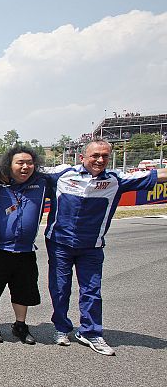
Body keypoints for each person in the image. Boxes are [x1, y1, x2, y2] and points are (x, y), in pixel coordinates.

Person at [42, 140, 167, 355]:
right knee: (60, 289)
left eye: (105, 156)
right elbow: (25, 168)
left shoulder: (116, 179)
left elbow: (158, 175)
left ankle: (90, 332)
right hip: (59, 243)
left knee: (92, 291)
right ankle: (61, 328)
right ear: (82, 157)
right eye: (95, 155)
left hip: (92, 246)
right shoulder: (61, 174)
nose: (100, 160)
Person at [0, 145, 49, 345]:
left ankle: (20, 325)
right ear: (9, 165)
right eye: (20, 163)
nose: (25, 167)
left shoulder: (42, 183)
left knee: (23, 290)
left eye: (29, 163)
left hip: (26, 251)